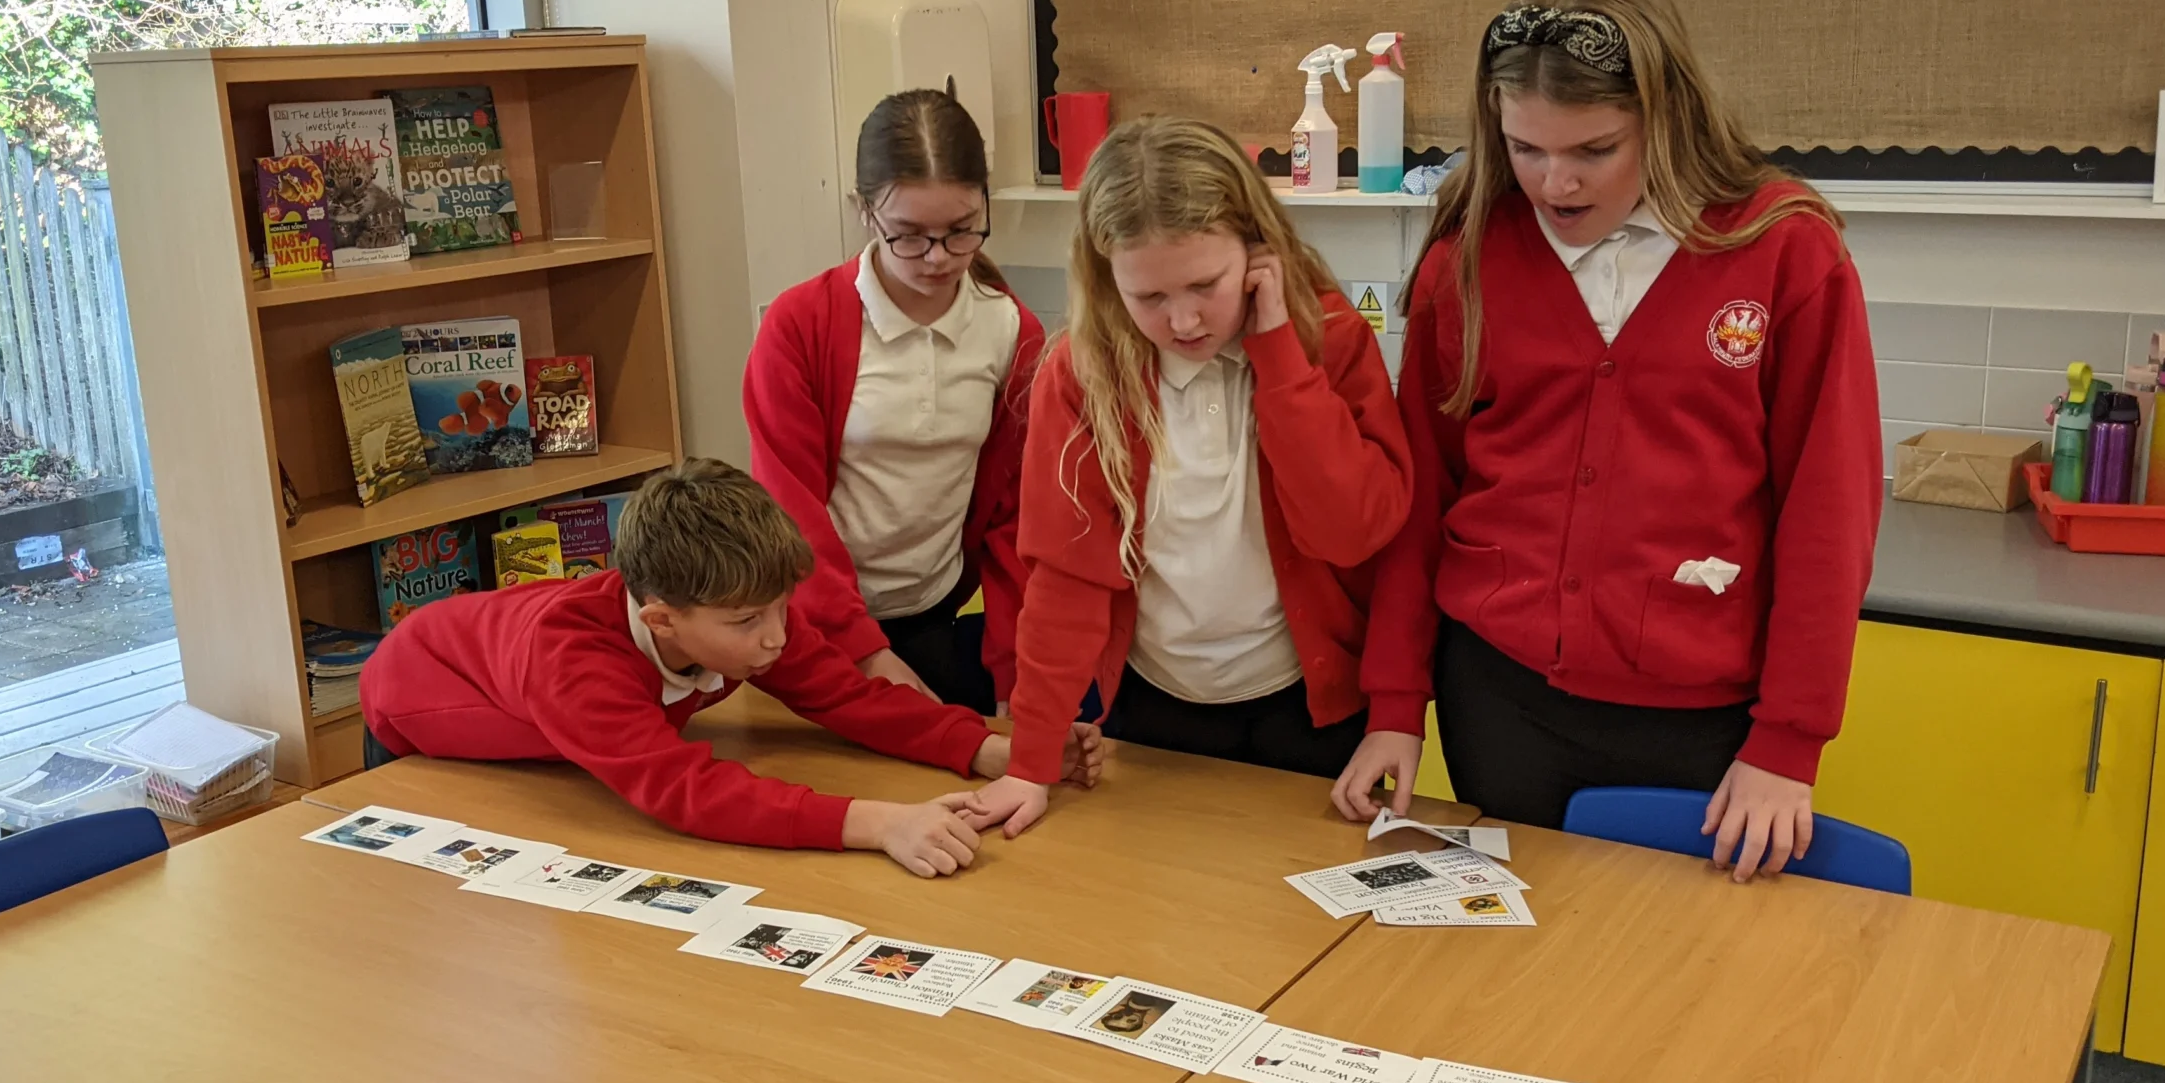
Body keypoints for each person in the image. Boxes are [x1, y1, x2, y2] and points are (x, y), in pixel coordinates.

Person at [1329, 0, 1880, 880]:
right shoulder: (1467, 260)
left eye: (1594, 151)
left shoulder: (1783, 252)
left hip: (1701, 716)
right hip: (1499, 698)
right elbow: (1424, 495)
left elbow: (1829, 513)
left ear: (1666, 118)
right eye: (1526, 149)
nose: (1557, 184)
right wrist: (1394, 704)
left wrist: (1789, 742)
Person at [965, 115, 1412, 836]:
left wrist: (1279, 358)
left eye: (1206, 284)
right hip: (1155, 703)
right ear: (1107, 278)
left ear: (1257, 250)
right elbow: (1066, 579)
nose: (1183, 321)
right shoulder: (1083, 374)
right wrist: (1030, 761)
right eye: (1149, 298)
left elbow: (1354, 532)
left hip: (1311, 705)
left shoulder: (1328, 340)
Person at [358, 459, 1101, 875]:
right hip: (417, 719)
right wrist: (878, 822)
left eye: (781, 607)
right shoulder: (572, 662)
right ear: (662, 619)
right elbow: (687, 791)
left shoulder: (740, 608)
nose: (777, 637)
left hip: (534, 716)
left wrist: (998, 751)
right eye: (748, 622)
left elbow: (849, 697)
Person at [745, 89, 1044, 712]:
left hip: (932, 613)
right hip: (807, 621)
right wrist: (864, 653)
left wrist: (1017, 676)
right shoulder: (800, 325)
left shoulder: (1012, 331)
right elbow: (789, 511)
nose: (938, 258)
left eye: (960, 231)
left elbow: (1016, 520)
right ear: (864, 212)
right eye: (908, 235)